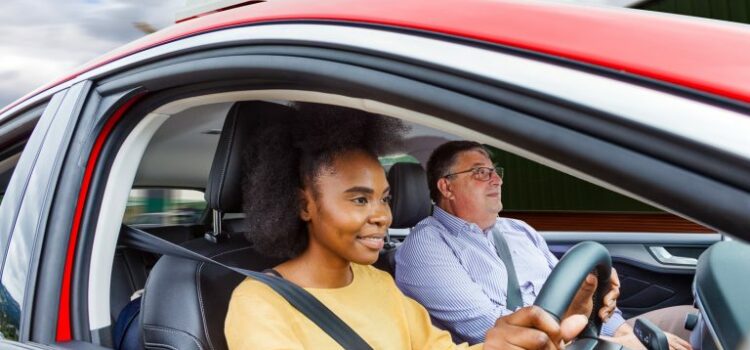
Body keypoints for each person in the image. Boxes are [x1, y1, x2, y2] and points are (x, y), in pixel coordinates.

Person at [224, 104, 612, 349]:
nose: (384, 216)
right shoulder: (259, 304)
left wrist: (502, 343)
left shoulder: (377, 284)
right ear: (302, 205)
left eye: (385, 198)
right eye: (360, 199)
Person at [395, 140, 694, 350]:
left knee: (695, 322)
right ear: (446, 186)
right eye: (480, 172)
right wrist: (614, 343)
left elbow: (575, 289)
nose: (496, 179)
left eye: (495, 171)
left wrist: (620, 329)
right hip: (537, 345)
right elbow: (493, 329)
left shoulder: (518, 230)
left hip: (583, 333)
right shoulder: (425, 247)